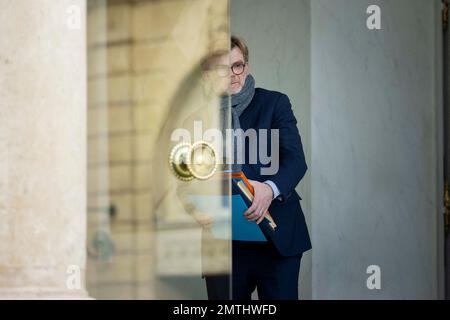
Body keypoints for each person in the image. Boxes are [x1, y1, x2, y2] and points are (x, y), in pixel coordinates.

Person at [200, 36, 312, 300]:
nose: (232, 75)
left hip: (276, 237)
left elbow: (296, 161)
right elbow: (184, 178)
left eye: (237, 65)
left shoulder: (275, 104)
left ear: (246, 67)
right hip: (223, 243)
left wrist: (269, 189)